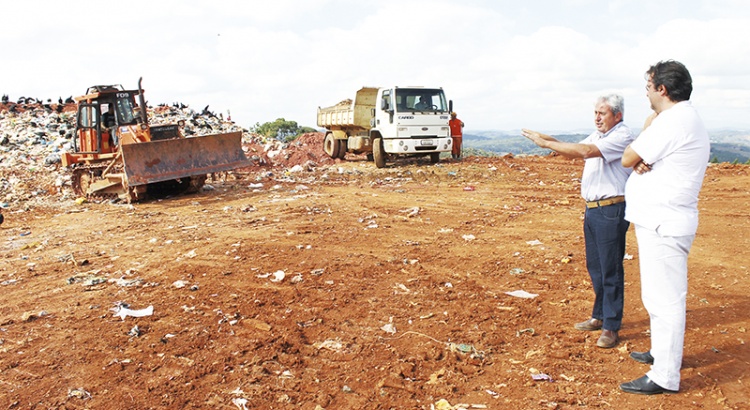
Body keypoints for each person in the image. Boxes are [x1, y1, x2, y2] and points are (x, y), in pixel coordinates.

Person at [619, 60, 710, 395]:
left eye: (648, 86)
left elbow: (629, 156)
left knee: (665, 300)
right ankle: (661, 354)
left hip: (665, 222)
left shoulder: (675, 119)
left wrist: (639, 153)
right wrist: (643, 154)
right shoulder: (678, 118)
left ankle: (665, 375)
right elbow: (637, 156)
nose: (646, 93)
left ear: (663, 89)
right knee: (656, 297)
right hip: (661, 220)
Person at [522, 93, 635, 349]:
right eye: (595, 112)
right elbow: (573, 149)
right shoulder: (600, 135)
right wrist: (545, 139)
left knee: (610, 269)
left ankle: (611, 326)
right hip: (593, 209)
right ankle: (600, 315)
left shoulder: (621, 136)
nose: (597, 118)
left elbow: (584, 151)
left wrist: (544, 143)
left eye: (602, 113)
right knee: (595, 266)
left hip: (611, 209)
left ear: (617, 115)